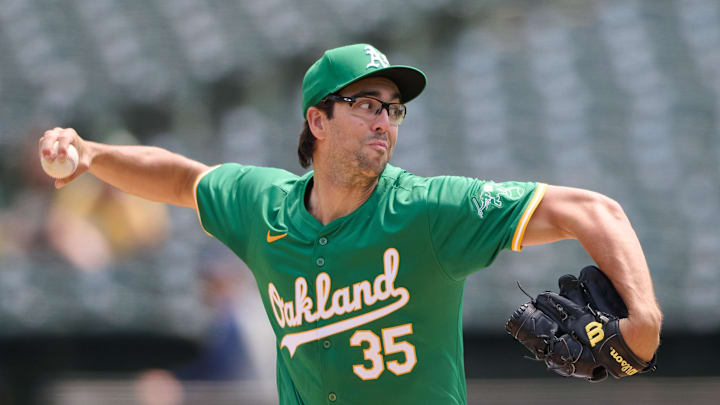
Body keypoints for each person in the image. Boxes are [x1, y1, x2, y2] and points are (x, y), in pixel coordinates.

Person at [38, 44, 662, 405]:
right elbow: (180, 179)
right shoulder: (262, 206)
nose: (385, 121)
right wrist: (92, 155)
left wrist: (646, 320)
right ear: (317, 121)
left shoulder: (429, 210)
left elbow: (592, 211)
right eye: (366, 105)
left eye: (393, 109)